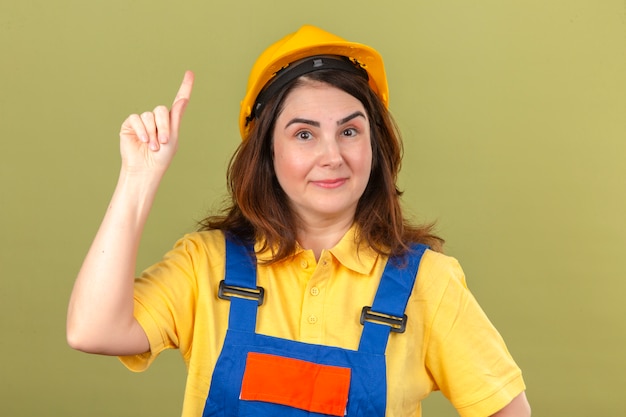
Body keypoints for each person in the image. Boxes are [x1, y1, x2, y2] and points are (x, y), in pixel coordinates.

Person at [67, 25, 531, 417]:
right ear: (268, 151)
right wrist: (138, 177)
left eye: (349, 131)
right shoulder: (205, 265)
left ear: (376, 147)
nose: (332, 156)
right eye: (304, 134)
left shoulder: (428, 282)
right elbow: (91, 331)